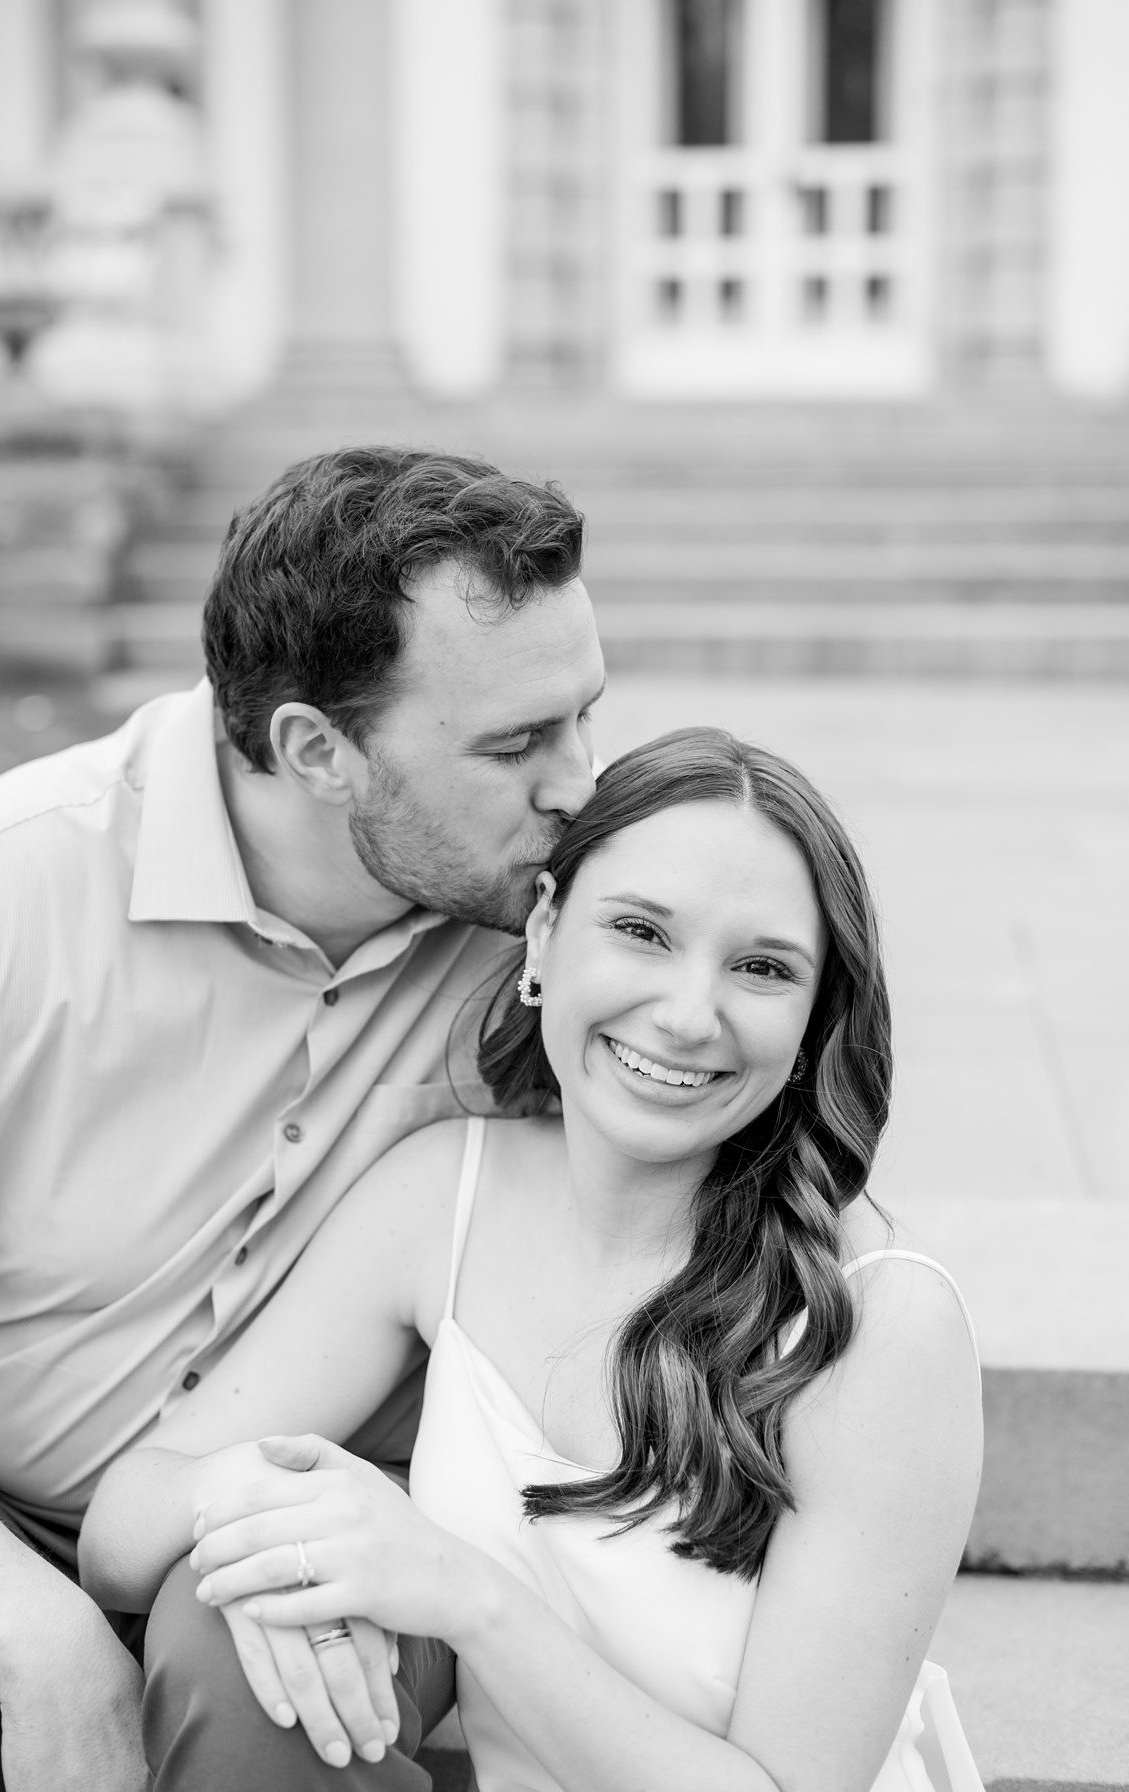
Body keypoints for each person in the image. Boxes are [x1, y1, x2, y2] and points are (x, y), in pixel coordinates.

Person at [77, 729, 985, 1791]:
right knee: (235, 1599)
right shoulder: (445, 1194)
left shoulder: (880, 1326)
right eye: (642, 931)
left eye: (761, 967)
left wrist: (461, 1594)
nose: (690, 1015)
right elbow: (124, 1522)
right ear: (546, 933)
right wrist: (280, 1516)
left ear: (814, 1015)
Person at [0, 445, 606, 1787]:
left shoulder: (558, 909)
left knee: (276, 1660)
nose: (580, 784)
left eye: (585, 714)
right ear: (316, 751)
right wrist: (37, 1635)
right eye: (517, 743)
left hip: (339, 1521)